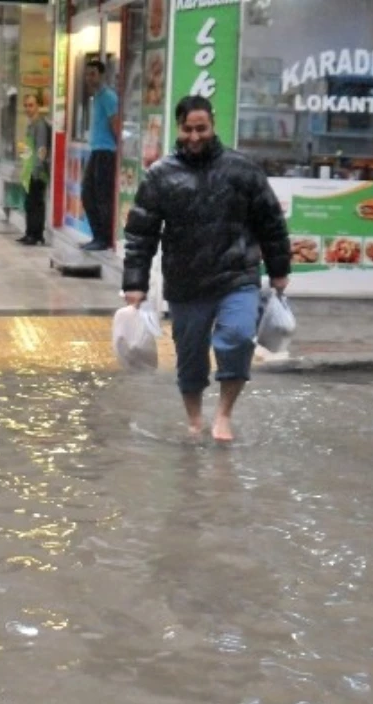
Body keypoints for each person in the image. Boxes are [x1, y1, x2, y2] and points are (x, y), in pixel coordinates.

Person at [122, 95, 290, 443]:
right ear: (178, 128)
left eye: (202, 128)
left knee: (238, 337)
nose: (195, 136)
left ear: (213, 126)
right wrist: (134, 284)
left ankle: (223, 415)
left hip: (237, 277)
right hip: (186, 282)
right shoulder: (160, 176)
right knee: (191, 358)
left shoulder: (242, 169)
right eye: (188, 129)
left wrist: (279, 270)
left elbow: (271, 222)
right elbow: (141, 233)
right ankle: (195, 420)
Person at [81, 60, 119, 251]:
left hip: (107, 152)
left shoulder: (108, 97)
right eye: (87, 74)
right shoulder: (96, 98)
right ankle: (98, 236)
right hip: (96, 150)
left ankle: (104, 239)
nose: (89, 78)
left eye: (93, 74)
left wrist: (119, 148)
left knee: (102, 197)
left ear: (102, 75)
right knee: (88, 194)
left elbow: (116, 124)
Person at [18, 94, 52, 246]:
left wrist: (38, 169)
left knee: (36, 203)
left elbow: (42, 148)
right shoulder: (31, 125)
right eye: (26, 105)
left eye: (31, 105)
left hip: (37, 171)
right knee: (29, 203)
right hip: (28, 170)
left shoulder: (40, 125)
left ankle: (36, 234)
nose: (28, 108)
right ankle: (29, 232)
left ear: (38, 106)